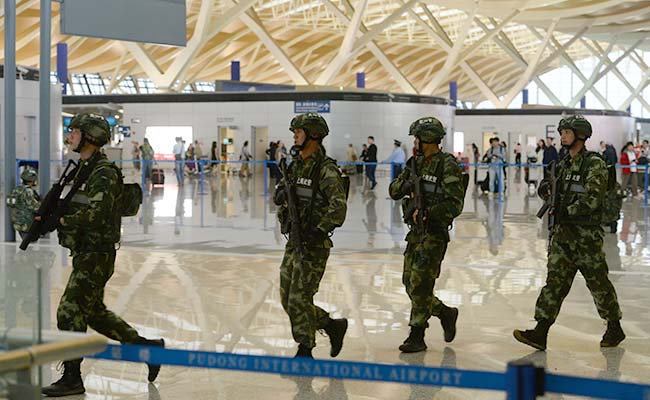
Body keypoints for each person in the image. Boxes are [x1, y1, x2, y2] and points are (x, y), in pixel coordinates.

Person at [41, 114, 164, 397]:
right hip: (85, 250)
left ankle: (72, 377)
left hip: (97, 253)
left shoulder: (103, 172)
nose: (69, 136)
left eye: (74, 132)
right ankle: (149, 349)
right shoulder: (83, 168)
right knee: (94, 312)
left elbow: (97, 215)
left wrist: (61, 221)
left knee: (69, 310)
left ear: (89, 137)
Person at [513, 115, 624, 351]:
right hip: (563, 235)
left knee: (598, 283)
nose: (562, 135)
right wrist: (547, 191)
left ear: (580, 135)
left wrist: (567, 209)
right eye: (562, 131)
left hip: (586, 237)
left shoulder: (594, 164)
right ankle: (540, 331)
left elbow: (593, 199)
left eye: (567, 132)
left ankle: (614, 326)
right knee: (555, 282)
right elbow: (553, 192)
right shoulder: (562, 165)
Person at [273, 113, 348, 359]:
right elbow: (283, 197)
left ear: (313, 135)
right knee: (287, 299)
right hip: (294, 241)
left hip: (314, 244)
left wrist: (318, 231)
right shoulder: (295, 166)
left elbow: (338, 208)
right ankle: (330, 325)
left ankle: (305, 349)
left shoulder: (326, 170)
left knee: (300, 297)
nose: (294, 135)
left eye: (299, 131)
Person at [389, 117, 464, 353]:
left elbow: (455, 204)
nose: (415, 142)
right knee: (409, 282)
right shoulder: (415, 164)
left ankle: (417, 333)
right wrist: (408, 184)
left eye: (418, 138)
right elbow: (393, 191)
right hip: (415, 234)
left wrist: (428, 214)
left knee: (421, 283)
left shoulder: (447, 165)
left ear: (428, 139)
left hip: (435, 234)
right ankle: (445, 312)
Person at [6, 167, 40, 239]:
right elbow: (34, 207)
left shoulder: (16, 189)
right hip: (27, 223)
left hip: (17, 222)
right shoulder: (28, 191)